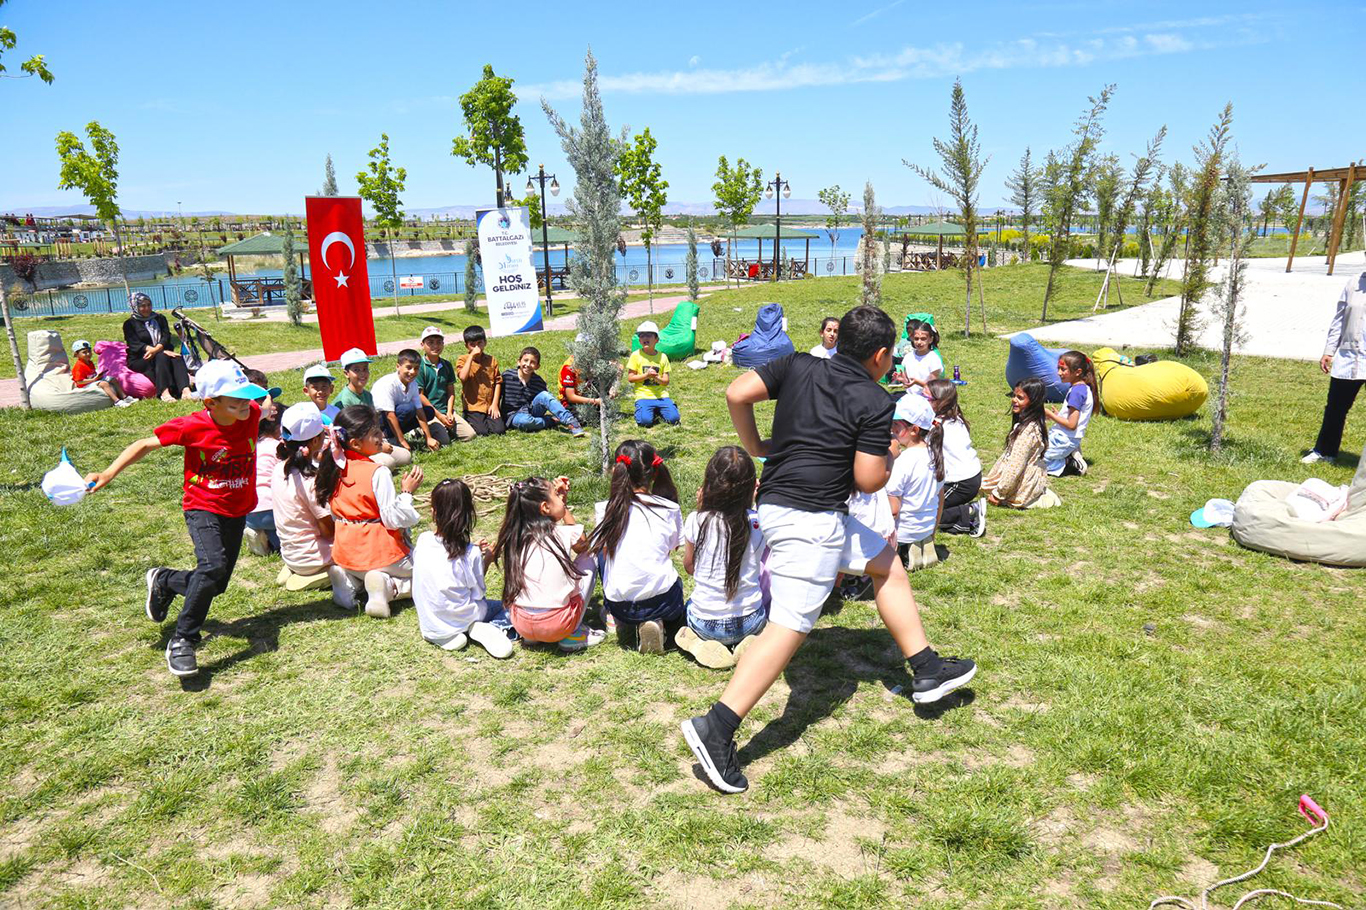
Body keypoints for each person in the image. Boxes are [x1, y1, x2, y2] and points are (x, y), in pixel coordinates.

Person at [680, 305, 977, 794]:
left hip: (789, 507)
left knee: (885, 563)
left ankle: (926, 669)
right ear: (881, 356)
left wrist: (758, 445)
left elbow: (737, 391)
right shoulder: (875, 399)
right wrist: (890, 453)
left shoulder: (798, 364)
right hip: (811, 520)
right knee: (790, 627)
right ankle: (717, 728)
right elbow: (867, 479)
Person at [82, 361, 269, 677]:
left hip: (237, 509)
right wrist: (108, 473)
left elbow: (265, 402)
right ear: (210, 402)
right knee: (211, 568)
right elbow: (143, 444)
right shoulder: (193, 426)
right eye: (234, 399)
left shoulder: (249, 411)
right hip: (203, 506)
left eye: (245, 396)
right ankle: (183, 640)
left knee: (216, 583)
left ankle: (164, 580)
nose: (244, 404)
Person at [315, 405, 424, 618]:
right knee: (426, 572)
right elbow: (392, 519)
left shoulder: (333, 467)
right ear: (355, 443)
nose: (381, 436)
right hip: (379, 553)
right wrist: (406, 493)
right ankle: (388, 587)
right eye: (375, 434)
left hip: (346, 552)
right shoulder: (378, 472)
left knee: (362, 568)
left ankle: (348, 580)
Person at [587, 439, 684, 654]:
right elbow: (671, 549)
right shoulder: (670, 508)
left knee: (604, 552)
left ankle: (617, 619)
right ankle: (659, 623)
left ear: (616, 471)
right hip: (664, 601)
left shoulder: (606, 510)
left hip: (621, 605)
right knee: (668, 573)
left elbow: (603, 553)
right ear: (655, 472)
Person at [677, 446, 768, 670]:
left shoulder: (695, 521)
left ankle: (698, 643)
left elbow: (690, 568)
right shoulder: (760, 522)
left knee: (684, 619)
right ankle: (750, 643)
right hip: (751, 621)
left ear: (709, 484)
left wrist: (702, 508)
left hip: (705, 622)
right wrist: (754, 503)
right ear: (751, 487)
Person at [492, 476, 607, 652]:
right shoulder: (562, 533)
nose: (560, 499)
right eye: (555, 495)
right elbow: (582, 545)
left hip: (521, 623)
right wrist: (565, 508)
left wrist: (558, 502)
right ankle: (573, 634)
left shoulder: (513, 538)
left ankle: (532, 636)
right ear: (545, 507)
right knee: (589, 557)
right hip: (558, 625)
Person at [412, 478, 515, 658]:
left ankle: (446, 636)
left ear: (433, 513)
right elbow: (477, 594)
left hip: (432, 624)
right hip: (463, 616)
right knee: (509, 607)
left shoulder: (423, 540)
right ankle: (490, 627)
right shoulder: (470, 554)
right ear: (469, 513)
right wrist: (488, 560)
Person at [270, 402, 354, 607]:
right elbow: (329, 532)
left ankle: (293, 569)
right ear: (317, 440)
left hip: (291, 552)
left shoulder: (279, 468)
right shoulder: (310, 481)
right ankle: (327, 575)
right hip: (312, 558)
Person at [1304, 270, 1366, 464]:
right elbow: (1339, 319)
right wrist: (1329, 350)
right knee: (1335, 408)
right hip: (1350, 357)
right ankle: (1324, 451)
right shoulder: (1354, 283)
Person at [886, 394, 945, 572]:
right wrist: (932, 533)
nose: (891, 429)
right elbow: (940, 500)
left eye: (896, 425)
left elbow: (893, 510)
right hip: (925, 532)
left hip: (903, 535)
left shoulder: (903, 462)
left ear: (914, 430)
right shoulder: (936, 456)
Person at [982, 378, 1059, 510]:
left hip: (1022, 480)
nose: (1014, 400)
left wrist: (998, 494)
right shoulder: (1028, 421)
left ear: (1033, 402)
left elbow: (1016, 466)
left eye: (1020, 398)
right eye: (1014, 395)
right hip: (1015, 477)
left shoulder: (1028, 432)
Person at [331, 348, 410, 471]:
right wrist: (379, 446)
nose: (362, 374)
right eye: (356, 370)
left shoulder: (368, 395)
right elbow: (353, 433)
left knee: (406, 456)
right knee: (388, 463)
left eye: (365, 369)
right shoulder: (345, 400)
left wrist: (379, 440)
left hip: (373, 440)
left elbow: (374, 422)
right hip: (358, 446)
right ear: (346, 373)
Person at [927, 378, 985, 537]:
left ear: (941, 402)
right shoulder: (954, 417)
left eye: (926, 398)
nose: (922, 401)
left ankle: (968, 514)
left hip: (961, 482)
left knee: (927, 513)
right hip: (972, 476)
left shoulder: (936, 426)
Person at [500, 346, 586, 436]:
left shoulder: (538, 381)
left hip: (531, 411)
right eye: (525, 360)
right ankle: (551, 420)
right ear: (519, 361)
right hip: (513, 415)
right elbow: (497, 394)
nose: (528, 364)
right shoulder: (507, 376)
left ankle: (571, 421)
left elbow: (545, 402)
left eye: (532, 362)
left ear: (537, 366)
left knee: (545, 395)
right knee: (525, 421)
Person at [374, 349, 446, 454]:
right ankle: (387, 436)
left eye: (416, 368)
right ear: (398, 366)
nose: (412, 372)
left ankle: (397, 434)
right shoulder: (388, 384)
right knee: (408, 408)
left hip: (398, 415)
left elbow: (419, 410)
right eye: (408, 367)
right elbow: (390, 415)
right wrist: (402, 441)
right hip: (378, 421)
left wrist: (428, 438)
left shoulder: (413, 384)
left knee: (428, 412)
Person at [122, 291, 191, 400]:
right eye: (142, 306)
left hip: (161, 350)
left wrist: (157, 349)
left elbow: (166, 336)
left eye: (149, 305)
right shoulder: (129, 324)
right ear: (135, 307)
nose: (147, 308)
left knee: (176, 358)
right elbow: (134, 343)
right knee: (161, 356)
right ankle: (164, 392)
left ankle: (185, 391)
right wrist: (155, 351)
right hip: (140, 357)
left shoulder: (160, 318)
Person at [417, 326, 476, 443]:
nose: (435, 346)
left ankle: (445, 427)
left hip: (445, 410)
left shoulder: (446, 365)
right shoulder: (419, 367)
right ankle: (419, 429)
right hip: (429, 413)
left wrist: (449, 412)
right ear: (422, 345)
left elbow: (451, 392)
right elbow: (420, 396)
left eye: (439, 342)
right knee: (444, 441)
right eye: (430, 342)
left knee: (470, 435)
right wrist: (438, 416)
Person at [1043, 351, 1098, 477]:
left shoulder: (1076, 393)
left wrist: (1051, 415)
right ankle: (1068, 454)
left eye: (1063, 369)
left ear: (1077, 372)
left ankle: (1069, 463)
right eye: (1059, 368)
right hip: (1065, 437)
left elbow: (1072, 425)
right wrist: (1059, 415)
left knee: (1035, 463)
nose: (1059, 373)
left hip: (1065, 439)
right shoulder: (1080, 388)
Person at [627, 321, 681, 427]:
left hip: (661, 396)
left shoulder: (663, 357)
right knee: (645, 422)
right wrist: (646, 376)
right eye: (642, 335)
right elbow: (631, 378)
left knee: (674, 419)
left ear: (656, 340)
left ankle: (659, 410)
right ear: (639, 340)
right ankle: (649, 411)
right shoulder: (635, 355)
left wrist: (656, 377)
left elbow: (666, 382)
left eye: (649, 335)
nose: (645, 338)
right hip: (643, 396)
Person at [244, 411, 282, 557]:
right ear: (278, 427)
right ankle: (275, 543)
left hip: (249, 511)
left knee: (271, 526)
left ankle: (258, 533)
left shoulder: (251, 445)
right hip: (272, 510)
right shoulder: (279, 447)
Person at [456, 325, 505, 436]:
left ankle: (488, 418)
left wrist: (495, 404)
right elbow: (463, 377)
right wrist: (471, 356)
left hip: (490, 404)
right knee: (482, 431)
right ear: (466, 346)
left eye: (479, 343)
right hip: (474, 406)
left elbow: (498, 382)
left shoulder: (491, 360)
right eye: (472, 345)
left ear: (485, 342)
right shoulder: (462, 359)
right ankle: (468, 416)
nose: (476, 347)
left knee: (499, 430)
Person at [70, 339, 134, 407]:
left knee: (112, 379)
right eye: (84, 352)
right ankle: (117, 401)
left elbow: (92, 374)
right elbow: (79, 381)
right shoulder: (79, 366)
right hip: (84, 386)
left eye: (89, 351)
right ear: (76, 354)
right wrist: (94, 380)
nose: (88, 354)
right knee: (104, 384)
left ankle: (124, 397)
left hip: (93, 380)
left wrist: (98, 376)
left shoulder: (89, 362)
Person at [899, 320, 943, 391]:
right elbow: (908, 383)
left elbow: (932, 387)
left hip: (928, 398)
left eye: (923, 339)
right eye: (916, 339)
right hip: (911, 397)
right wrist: (903, 380)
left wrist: (917, 382)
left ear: (930, 340)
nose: (919, 342)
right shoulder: (908, 357)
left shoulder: (933, 359)